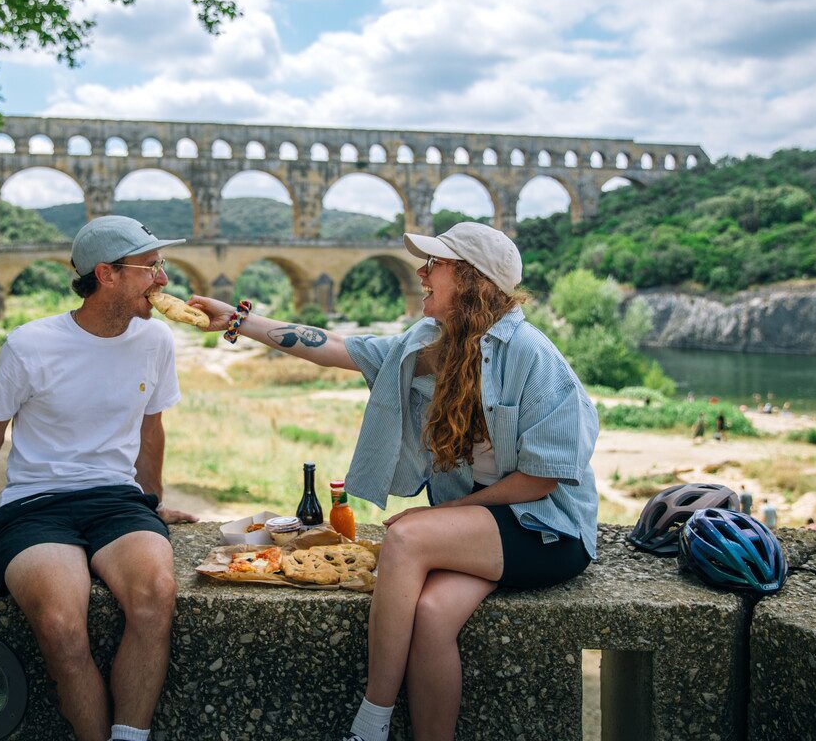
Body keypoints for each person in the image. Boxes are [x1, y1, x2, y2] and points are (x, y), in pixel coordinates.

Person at [190, 222, 598, 741]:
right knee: (429, 617)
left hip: (545, 531)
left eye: (437, 264)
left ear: (472, 279)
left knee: (405, 536)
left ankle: (371, 723)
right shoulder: (425, 345)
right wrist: (238, 321)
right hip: (482, 531)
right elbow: (335, 346)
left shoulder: (533, 356)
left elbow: (540, 481)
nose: (421, 273)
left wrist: (437, 517)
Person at [0, 216, 198, 741]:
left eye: (162, 266)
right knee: (63, 627)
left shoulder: (156, 340)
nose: (163, 280)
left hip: (116, 500)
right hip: (35, 505)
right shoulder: (31, 345)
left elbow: (151, 425)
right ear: (107, 274)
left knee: (157, 594)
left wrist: (151, 501)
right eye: (151, 267)